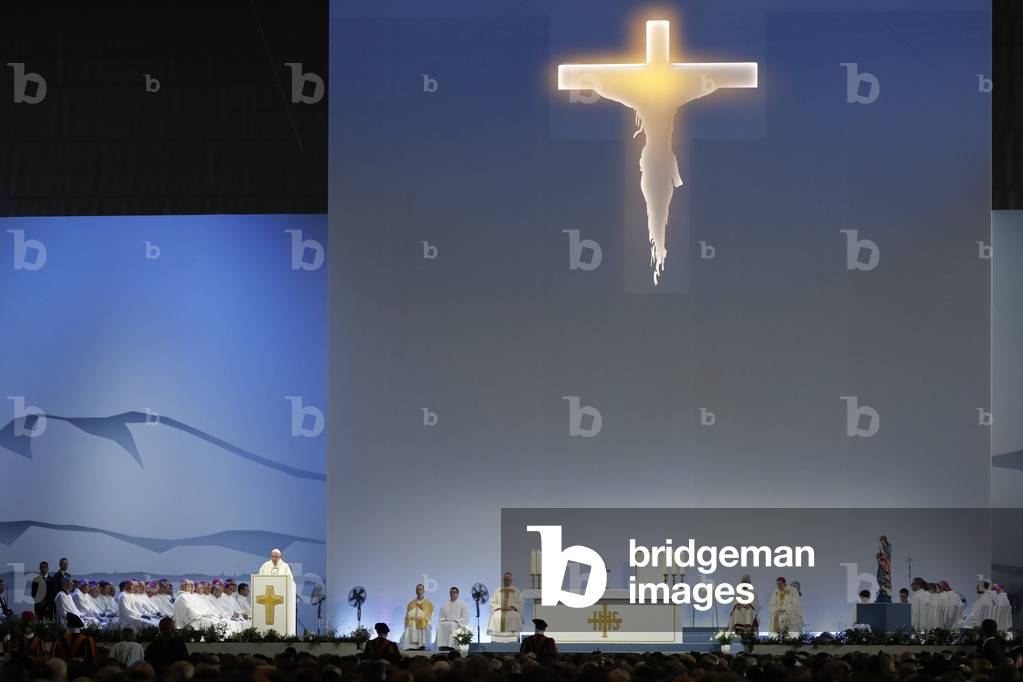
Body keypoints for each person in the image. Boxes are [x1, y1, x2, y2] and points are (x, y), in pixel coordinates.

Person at [488, 572, 524, 643]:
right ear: (503, 580)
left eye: (509, 579)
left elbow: (520, 603)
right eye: (505, 579)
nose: (507, 581)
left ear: (511, 580)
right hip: (500, 610)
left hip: (512, 610)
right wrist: (499, 607)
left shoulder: (517, 591)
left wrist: (512, 607)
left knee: (514, 616)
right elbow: (492, 602)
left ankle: (513, 639)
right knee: (495, 616)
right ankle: (496, 639)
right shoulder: (497, 590)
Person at [399, 583, 434, 650]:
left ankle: (422, 645)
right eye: (417, 589)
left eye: (420, 589)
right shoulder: (411, 603)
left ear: (424, 591)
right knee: (411, 624)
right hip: (413, 620)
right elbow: (407, 615)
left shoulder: (428, 603)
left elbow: (430, 614)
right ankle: (411, 645)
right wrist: (412, 617)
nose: (418, 591)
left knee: (422, 623)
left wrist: (422, 616)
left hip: (423, 621)